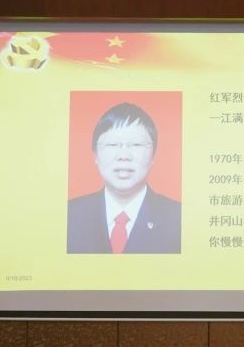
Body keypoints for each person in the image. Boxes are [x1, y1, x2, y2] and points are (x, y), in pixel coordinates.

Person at [67, 102, 181, 254]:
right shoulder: (69, 215)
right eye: (112, 144)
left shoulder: (178, 218)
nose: (124, 156)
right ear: (95, 155)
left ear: (153, 155)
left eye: (136, 144)